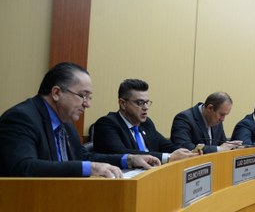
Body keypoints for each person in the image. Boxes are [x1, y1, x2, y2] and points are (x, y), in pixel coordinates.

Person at [0, 62, 159, 178]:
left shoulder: (66, 124)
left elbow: (83, 157)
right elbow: (24, 167)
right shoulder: (21, 119)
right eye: (83, 96)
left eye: (89, 97)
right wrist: (89, 168)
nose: (87, 104)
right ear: (56, 93)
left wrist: (130, 159)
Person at [92, 79, 196, 164]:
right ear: (123, 103)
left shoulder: (146, 123)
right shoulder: (107, 124)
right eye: (140, 103)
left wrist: (190, 152)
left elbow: (167, 145)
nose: (146, 107)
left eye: (147, 102)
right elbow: (121, 153)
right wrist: (168, 157)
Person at [171, 92, 241, 154]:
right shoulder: (184, 118)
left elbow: (222, 143)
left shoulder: (217, 119)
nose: (223, 119)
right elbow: (184, 148)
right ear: (210, 108)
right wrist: (219, 149)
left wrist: (232, 147)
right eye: (222, 114)